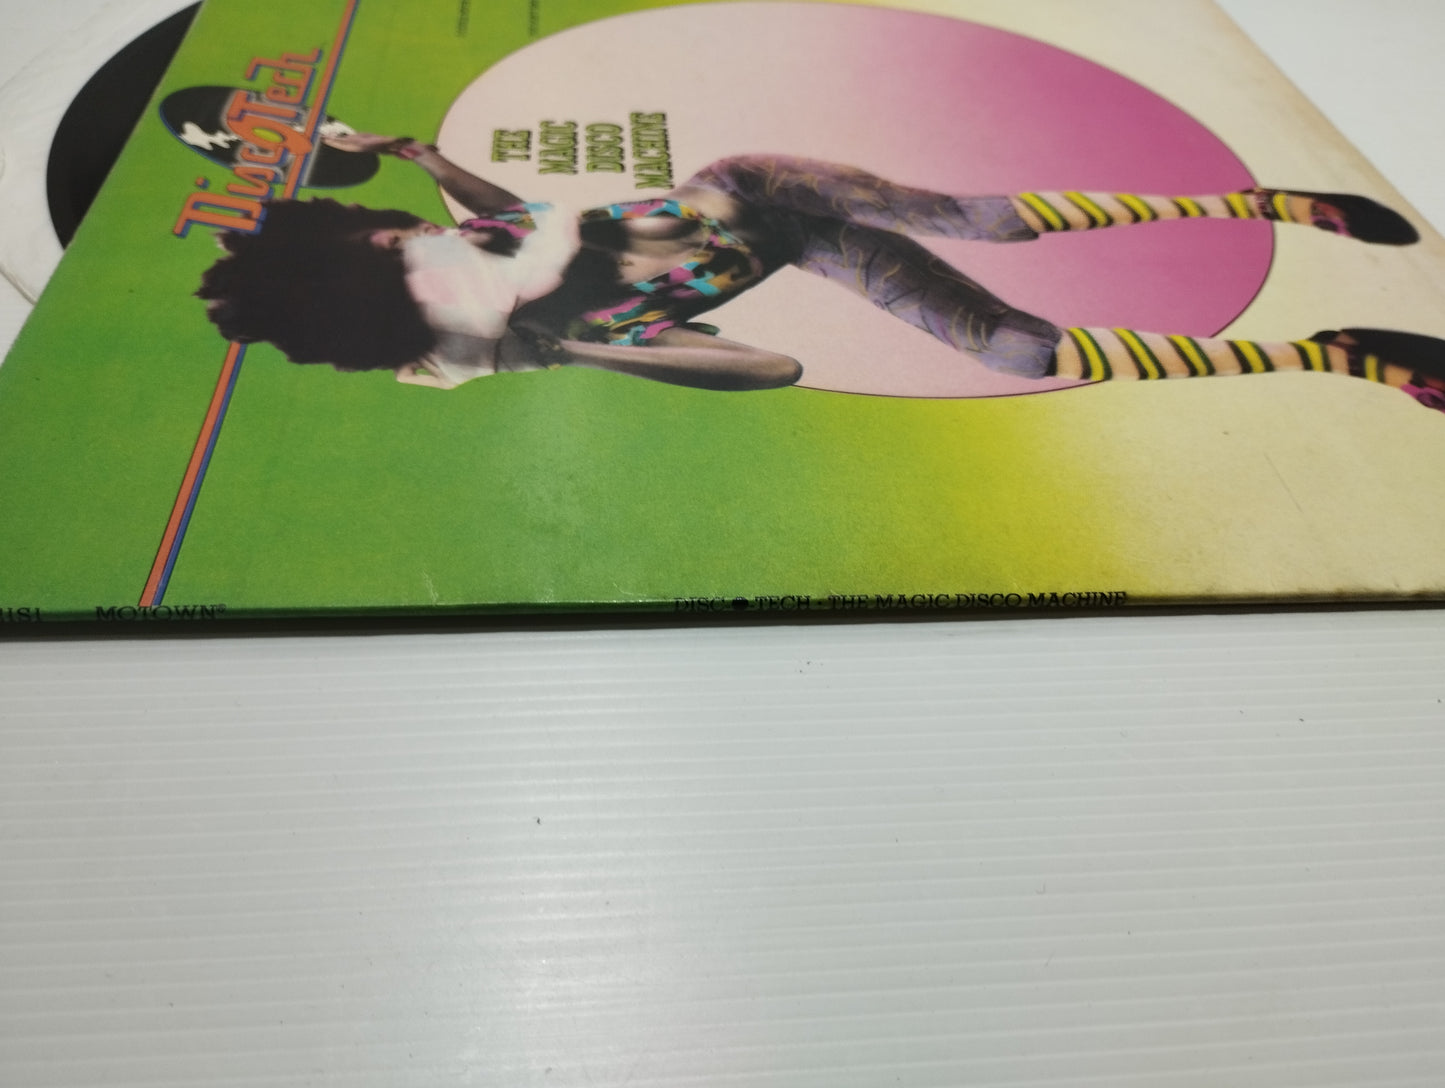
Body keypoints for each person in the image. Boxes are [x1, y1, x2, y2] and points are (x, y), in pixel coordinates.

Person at [196, 134, 1445, 413]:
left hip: (761, 191)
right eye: (377, 250)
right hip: (805, 248)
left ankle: (1255, 201)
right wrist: (571, 340)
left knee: (985, 222)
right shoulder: (523, 326)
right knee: (1021, 351)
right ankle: (1329, 352)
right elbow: (773, 364)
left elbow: (505, 213)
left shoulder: (474, 248)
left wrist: (426, 162)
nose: (398, 234)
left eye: (382, 228)